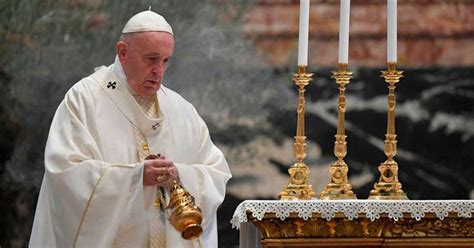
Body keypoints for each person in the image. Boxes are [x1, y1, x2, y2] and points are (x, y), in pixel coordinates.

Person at [29, 9, 231, 248]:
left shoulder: (181, 110)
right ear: (123, 52)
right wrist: (135, 178)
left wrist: (180, 175)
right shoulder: (85, 99)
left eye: (166, 60)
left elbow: (216, 172)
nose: (159, 71)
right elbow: (65, 174)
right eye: (151, 59)